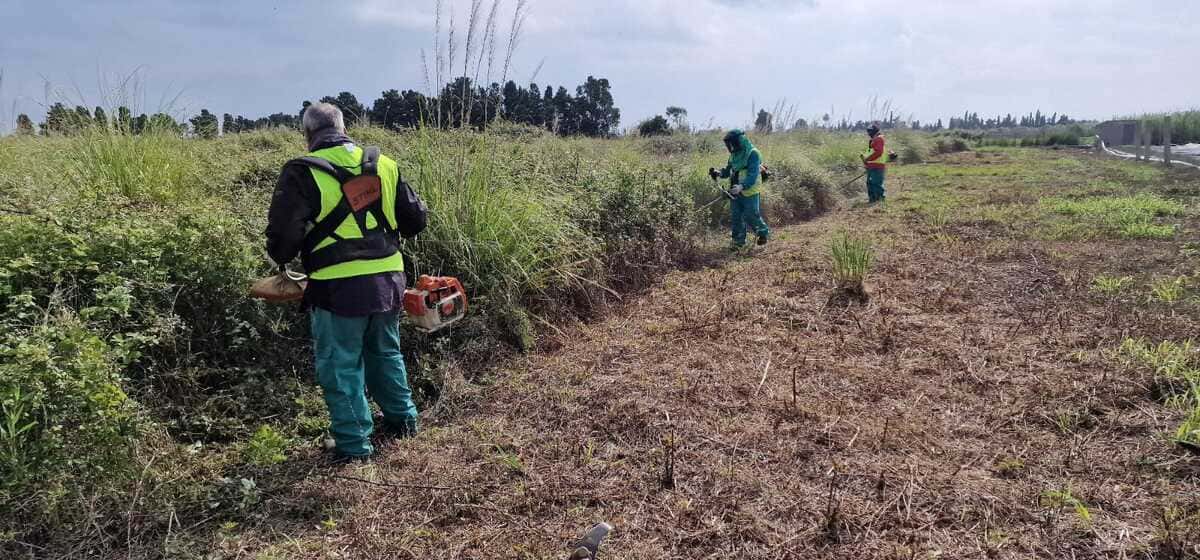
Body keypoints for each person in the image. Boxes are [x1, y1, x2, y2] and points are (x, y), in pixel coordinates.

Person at [266, 102, 421, 463]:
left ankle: (354, 446)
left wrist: (285, 256)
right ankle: (403, 423)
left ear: (308, 134)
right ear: (344, 126)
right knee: (385, 352)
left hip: (337, 289)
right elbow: (415, 221)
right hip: (389, 279)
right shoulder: (384, 164)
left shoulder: (301, 172)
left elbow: (282, 241)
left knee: (341, 363)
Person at [709, 129, 769, 250]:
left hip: (750, 190)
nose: (730, 146)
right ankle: (738, 243)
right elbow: (728, 170)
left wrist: (742, 186)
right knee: (737, 217)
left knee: (751, 215)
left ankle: (763, 233)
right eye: (728, 144)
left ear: (740, 141)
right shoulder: (733, 155)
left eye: (732, 143)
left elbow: (752, 175)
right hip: (735, 191)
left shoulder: (753, 153)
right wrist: (719, 173)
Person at [861, 123, 887, 203]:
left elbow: (878, 152)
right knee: (870, 183)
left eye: (869, 131)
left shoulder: (879, 139)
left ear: (873, 131)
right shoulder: (873, 140)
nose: (868, 133)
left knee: (876, 183)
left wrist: (867, 159)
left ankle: (879, 200)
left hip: (877, 166)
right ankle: (872, 200)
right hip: (872, 166)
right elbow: (870, 152)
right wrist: (864, 159)